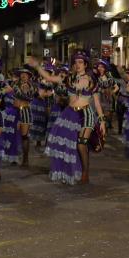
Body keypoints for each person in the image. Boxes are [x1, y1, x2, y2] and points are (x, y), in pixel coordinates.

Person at [31, 51, 107, 185]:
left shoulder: (91, 80)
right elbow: (49, 78)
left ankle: (85, 173)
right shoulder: (68, 78)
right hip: (70, 113)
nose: (77, 65)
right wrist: (37, 66)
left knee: (81, 144)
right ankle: (68, 171)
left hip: (86, 114)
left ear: (85, 64)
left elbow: (96, 102)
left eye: (80, 62)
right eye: (75, 62)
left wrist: (102, 121)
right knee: (66, 144)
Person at [94, 59, 118, 131]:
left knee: (107, 116)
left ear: (105, 68)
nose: (100, 68)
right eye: (99, 66)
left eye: (102, 67)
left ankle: (104, 130)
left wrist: (111, 92)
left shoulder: (109, 77)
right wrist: (102, 91)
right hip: (98, 98)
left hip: (107, 100)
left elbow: (116, 87)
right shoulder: (95, 77)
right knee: (98, 115)